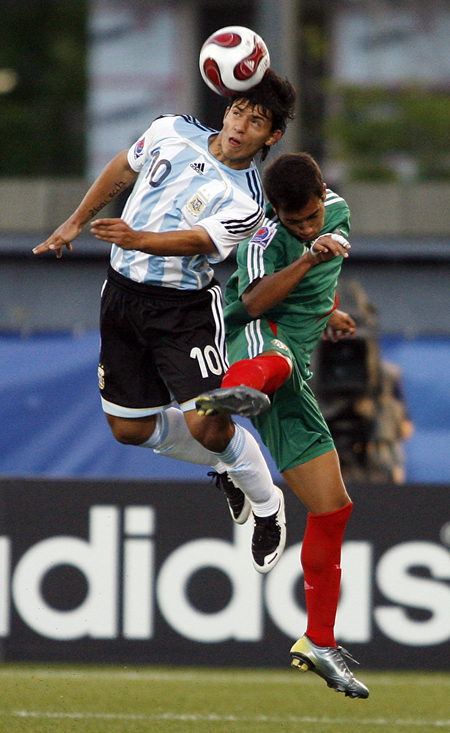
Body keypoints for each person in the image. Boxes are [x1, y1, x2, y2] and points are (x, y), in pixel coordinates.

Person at [32, 70, 296, 575]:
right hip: (122, 298)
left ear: (272, 136)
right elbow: (122, 168)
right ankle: (226, 468)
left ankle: (268, 508)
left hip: (183, 312)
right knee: (127, 429)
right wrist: (77, 219)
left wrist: (139, 240)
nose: (241, 125)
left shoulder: (248, 201)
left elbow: (198, 241)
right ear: (226, 109)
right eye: (238, 111)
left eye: (257, 121)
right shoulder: (170, 129)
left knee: (210, 427)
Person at [196, 152, 369, 698]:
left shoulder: (338, 213)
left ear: (324, 190)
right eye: (296, 222)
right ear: (276, 211)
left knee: (332, 507)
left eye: (312, 216)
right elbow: (249, 302)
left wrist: (330, 309)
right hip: (248, 334)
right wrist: (305, 259)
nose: (307, 227)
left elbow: (327, 272)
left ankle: (317, 640)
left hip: (294, 352)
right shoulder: (263, 238)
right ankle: (230, 412)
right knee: (278, 361)